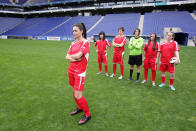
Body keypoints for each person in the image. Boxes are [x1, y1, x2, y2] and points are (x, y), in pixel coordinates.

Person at [65, 23, 91, 125]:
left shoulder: (86, 43)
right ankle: (80, 108)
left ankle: (87, 114)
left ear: (81, 31)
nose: (74, 33)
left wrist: (73, 57)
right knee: (73, 92)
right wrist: (74, 58)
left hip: (80, 73)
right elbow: (67, 56)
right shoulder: (73, 43)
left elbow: (80, 55)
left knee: (78, 95)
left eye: (76, 30)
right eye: (73, 31)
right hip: (71, 70)